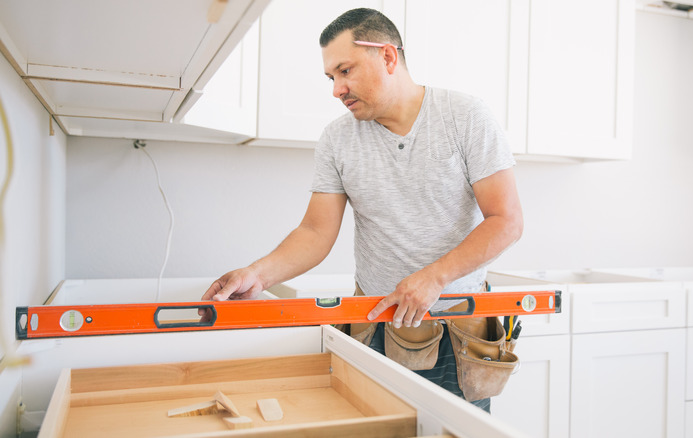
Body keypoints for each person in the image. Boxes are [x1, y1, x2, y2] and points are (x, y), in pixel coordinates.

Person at [201, 8, 523, 412]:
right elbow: (315, 233)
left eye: (345, 71)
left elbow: (506, 221)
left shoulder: (466, 118)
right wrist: (257, 274)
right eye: (331, 77)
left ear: (387, 57)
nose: (337, 89)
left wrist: (433, 278)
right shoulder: (337, 139)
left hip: (456, 332)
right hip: (373, 327)